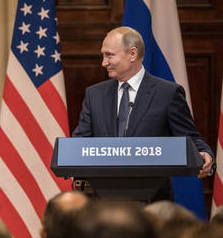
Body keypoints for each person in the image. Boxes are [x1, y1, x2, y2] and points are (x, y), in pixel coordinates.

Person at [72, 26, 213, 183]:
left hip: (152, 197)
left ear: (132, 54)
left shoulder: (168, 93)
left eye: (109, 55)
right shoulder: (95, 94)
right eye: (103, 56)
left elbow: (189, 137)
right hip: (106, 197)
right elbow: (80, 142)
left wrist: (204, 153)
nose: (104, 63)